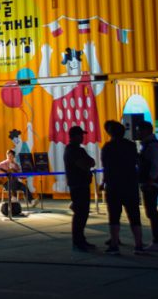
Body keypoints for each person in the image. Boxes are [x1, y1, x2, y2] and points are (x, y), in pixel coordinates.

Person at [39, 42, 105, 193]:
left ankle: (97, 180)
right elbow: (43, 81)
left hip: (86, 120)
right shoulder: (60, 81)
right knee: (55, 145)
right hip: (61, 122)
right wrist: (45, 56)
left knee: (94, 146)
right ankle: (61, 180)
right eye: (70, 62)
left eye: (77, 61)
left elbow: (100, 82)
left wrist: (92, 54)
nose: (74, 64)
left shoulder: (87, 77)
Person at [100, 121, 144, 255]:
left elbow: (107, 167)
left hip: (114, 184)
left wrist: (103, 182)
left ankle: (114, 244)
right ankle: (138, 245)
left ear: (110, 133)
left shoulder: (108, 147)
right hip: (130, 183)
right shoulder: (130, 145)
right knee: (134, 215)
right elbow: (138, 161)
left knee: (114, 216)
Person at [65, 126, 96, 252]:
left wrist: (88, 163)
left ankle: (81, 239)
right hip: (78, 185)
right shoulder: (73, 150)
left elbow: (92, 162)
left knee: (83, 213)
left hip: (81, 184)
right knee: (80, 214)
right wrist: (87, 163)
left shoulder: (78, 150)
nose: (82, 137)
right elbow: (85, 164)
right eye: (80, 135)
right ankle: (78, 241)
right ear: (74, 136)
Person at [138, 121, 158, 251]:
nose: (138, 132)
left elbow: (156, 165)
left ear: (146, 131)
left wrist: (150, 179)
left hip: (152, 183)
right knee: (151, 211)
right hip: (150, 182)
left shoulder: (152, 146)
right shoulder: (149, 145)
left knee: (152, 211)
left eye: (140, 130)